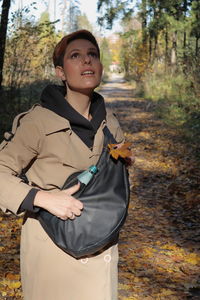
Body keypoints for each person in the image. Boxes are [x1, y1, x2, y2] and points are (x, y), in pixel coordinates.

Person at [0, 30, 125, 300]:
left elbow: (119, 175)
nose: (87, 61)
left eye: (93, 55)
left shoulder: (110, 121)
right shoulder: (38, 122)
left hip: (102, 246)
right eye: (75, 56)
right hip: (53, 251)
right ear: (60, 72)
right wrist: (41, 197)